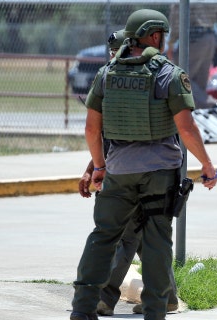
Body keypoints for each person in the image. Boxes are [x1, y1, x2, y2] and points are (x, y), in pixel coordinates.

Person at [70, 8, 217, 320]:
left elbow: (91, 129)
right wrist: (207, 164)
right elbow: (187, 129)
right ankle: (155, 312)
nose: (164, 40)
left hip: (118, 173)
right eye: (162, 34)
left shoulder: (106, 74)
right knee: (156, 241)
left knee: (103, 237)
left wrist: (98, 167)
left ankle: (83, 309)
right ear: (153, 34)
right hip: (159, 175)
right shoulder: (168, 74)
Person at [77, 29, 179, 317]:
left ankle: (103, 297)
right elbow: (105, 136)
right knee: (141, 239)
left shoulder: (148, 81)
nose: (112, 56)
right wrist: (91, 170)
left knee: (124, 237)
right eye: (111, 51)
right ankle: (167, 296)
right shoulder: (114, 79)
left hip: (144, 174)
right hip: (121, 172)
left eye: (117, 50)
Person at [167, 3, 217, 107]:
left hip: (192, 38)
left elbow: (177, 21)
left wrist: (171, 43)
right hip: (210, 38)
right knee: (200, 81)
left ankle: (208, 103)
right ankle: (200, 112)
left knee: (181, 77)